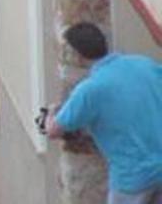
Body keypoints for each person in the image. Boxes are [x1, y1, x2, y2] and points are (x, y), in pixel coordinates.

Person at [43, 23, 162, 204]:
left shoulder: (90, 90)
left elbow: (54, 130)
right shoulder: (144, 64)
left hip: (131, 179)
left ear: (77, 55)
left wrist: (51, 113)